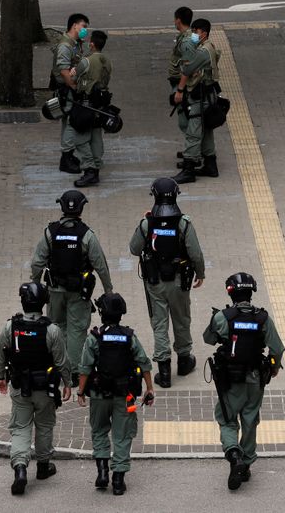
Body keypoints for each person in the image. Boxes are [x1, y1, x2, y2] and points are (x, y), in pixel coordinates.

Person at [203, 273, 284, 490]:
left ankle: (234, 455)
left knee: (227, 418)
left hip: (230, 380)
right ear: (251, 292)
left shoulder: (223, 317)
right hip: (255, 378)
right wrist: (274, 368)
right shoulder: (263, 318)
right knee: (250, 418)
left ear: (230, 292)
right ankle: (246, 464)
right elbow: (277, 348)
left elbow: (208, 339)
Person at [30, 190, 113, 387]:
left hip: (54, 291)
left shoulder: (50, 233)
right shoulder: (87, 235)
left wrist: (36, 285)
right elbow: (100, 264)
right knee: (77, 330)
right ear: (82, 208)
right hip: (79, 292)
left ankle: (59, 369)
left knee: (57, 327)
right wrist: (108, 290)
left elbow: (37, 263)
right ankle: (75, 373)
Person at [0, 282, 71, 496]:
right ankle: (43, 466)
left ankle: (20, 468)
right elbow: (62, 361)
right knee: (45, 425)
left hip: (20, 387)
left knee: (20, 427)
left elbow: (1, 350)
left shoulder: (11, 327)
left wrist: (1, 376)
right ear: (43, 302)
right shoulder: (52, 330)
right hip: (45, 389)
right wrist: (68, 383)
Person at [76, 293, 154, 496]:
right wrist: (149, 388)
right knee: (122, 435)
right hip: (124, 396)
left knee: (99, 430)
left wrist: (81, 392)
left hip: (99, 395)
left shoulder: (94, 337)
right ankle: (118, 479)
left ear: (102, 313)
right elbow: (144, 363)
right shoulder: (129, 336)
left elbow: (85, 367)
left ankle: (102, 473)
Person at [129, 178, 204, 388]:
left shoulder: (147, 223)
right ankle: (184, 361)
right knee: (182, 319)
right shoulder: (183, 223)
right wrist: (201, 273)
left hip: (154, 282)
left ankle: (163, 371)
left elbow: (134, 249)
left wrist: (143, 224)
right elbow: (195, 253)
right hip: (180, 281)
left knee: (159, 323)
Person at [173, 18, 222, 183]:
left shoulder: (202, 51)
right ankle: (210, 164)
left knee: (193, 133)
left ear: (204, 33)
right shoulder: (208, 47)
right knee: (206, 130)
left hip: (201, 98)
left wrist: (180, 90)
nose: (193, 34)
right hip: (208, 95)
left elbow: (187, 68)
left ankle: (189, 169)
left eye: (196, 32)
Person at [71, 30, 113, 187]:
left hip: (86, 103)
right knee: (96, 137)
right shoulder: (107, 61)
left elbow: (74, 77)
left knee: (80, 138)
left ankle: (89, 169)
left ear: (92, 44)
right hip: (101, 105)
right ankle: (95, 170)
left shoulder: (86, 61)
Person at [51, 13, 89, 174]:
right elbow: (64, 72)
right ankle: (66, 158)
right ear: (74, 25)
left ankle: (68, 155)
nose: (85, 30)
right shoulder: (65, 46)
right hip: (67, 89)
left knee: (69, 122)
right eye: (84, 26)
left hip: (69, 88)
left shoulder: (74, 43)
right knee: (71, 123)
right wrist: (74, 87)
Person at [168, 7, 195, 161]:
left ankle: (192, 153)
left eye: (174, 19)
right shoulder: (189, 37)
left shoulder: (186, 41)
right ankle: (190, 150)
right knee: (186, 120)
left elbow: (188, 67)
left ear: (178, 20)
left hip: (183, 85)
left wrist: (180, 90)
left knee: (185, 122)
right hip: (181, 84)